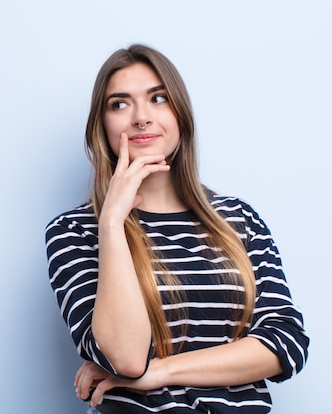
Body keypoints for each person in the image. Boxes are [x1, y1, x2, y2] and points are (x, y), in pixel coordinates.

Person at [44, 44, 309, 414]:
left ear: (180, 114)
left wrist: (162, 372)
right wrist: (112, 223)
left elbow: (285, 344)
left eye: (158, 99)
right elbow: (127, 360)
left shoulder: (239, 219)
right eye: (120, 104)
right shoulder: (76, 231)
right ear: (101, 126)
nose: (141, 118)